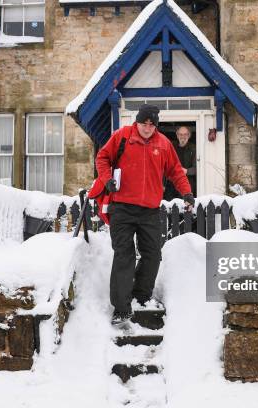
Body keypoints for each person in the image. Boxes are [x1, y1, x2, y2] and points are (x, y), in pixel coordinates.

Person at [96, 104, 195, 324]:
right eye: (144, 123)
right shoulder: (122, 137)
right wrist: (106, 179)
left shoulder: (163, 144)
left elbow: (176, 171)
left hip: (150, 210)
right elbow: (102, 158)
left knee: (152, 255)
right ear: (137, 121)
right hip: (122, 207)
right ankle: (121, 307)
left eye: (152, 124)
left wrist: (187, 192)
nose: (148, 128)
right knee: (124, 255)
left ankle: (141, 296)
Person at [164, 126, 196, 200]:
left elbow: (198, 168)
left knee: (184, 206)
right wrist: (163, 184)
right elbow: (164, 165)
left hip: (187, 183)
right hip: (171, 184)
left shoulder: (193, 148)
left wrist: (186, 171)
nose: (183, 136)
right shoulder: (172, 146)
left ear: (189, 135)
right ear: (177, 135)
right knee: (169, 206)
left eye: (185, 134)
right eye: (181, 134)